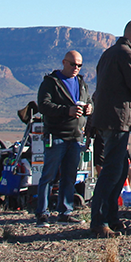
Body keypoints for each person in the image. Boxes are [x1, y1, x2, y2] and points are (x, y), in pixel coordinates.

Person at [90, 20, 131, 238]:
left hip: (110, 119)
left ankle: (111, 217)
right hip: (117, 120)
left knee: (118, 172)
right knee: (111, 171)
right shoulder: (126, 54)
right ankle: (99, 221)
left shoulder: (108, 54)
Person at [33, 50, 92, 227]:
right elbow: (43, 105)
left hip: (75, 137)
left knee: (70, 175)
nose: (76, 68)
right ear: (64, 62)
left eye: (79, 65)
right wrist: (67, 111)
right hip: (56, 135)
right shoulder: (51, 83)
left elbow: (90, 100)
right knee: (49, 175)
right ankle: (42, 214)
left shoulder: (81, 83)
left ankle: (65, 212)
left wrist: (90, 109)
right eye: (73, 64)